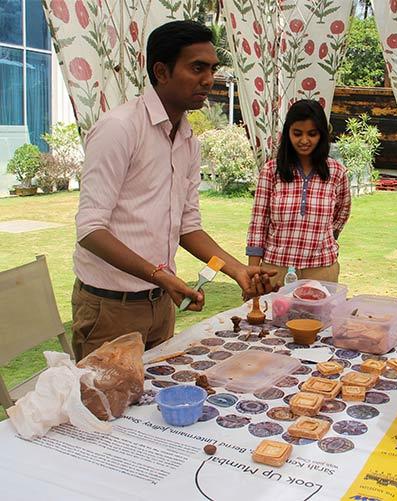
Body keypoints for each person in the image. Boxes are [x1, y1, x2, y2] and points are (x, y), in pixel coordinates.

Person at [72, 21, 275, 361]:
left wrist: (238, 270)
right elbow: (90, 230)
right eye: (197, 68)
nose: (209, 80)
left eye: (212, 68)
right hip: (110, 307)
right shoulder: (119, 129)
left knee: (155, 408)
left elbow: (187, 227)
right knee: (104, 412)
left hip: (160, 304)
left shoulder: (187, 141)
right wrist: (161, 276)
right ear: (161, 71)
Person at [246, 99, 351, 286]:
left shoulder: (336, 172)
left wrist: (321, 239)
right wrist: (253, 272)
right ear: (288, 134)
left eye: (312, 134)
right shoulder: (271, 171)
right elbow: (258, 223)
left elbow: (341, 213)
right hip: (275, 269)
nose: (304, 140)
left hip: (321, 269)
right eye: (297, 133)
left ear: (322, 135)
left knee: (318, 317)